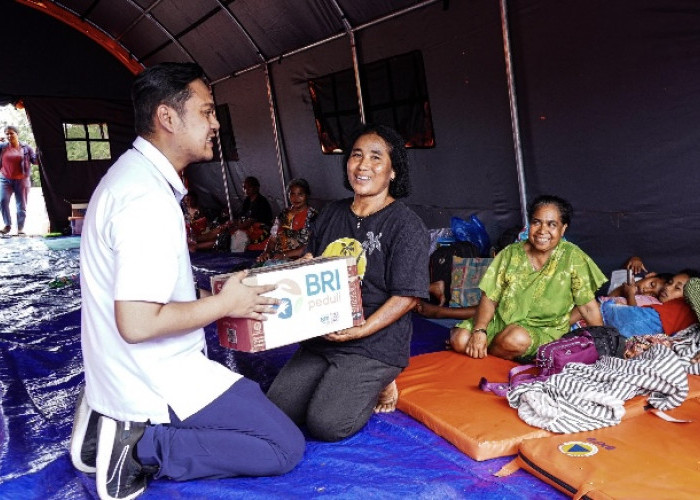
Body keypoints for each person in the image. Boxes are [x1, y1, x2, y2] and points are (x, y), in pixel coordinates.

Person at [70, 62, 304, 500]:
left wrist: (218, 296)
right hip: (154, 378)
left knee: (257, 404)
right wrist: (223, 306)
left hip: (122, 373)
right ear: (168, 118)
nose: (216, 124)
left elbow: (146, 292)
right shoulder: (146, 201)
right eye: (208, 112)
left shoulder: (132, 177)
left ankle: (105, 417)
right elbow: (137, 323)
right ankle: (142, 446)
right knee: (282, 446)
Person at [266, 124, 430, 441]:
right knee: (278, 408)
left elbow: (407, 296)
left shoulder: (406, 225)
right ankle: (349, 379)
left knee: (328, 424)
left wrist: (361, 330)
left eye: (375, 157)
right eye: (356, 156)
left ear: (393, 171)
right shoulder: (331, 213)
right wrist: (302, 267)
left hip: (372, 342)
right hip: (324, 335)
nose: (363, 165)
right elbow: (313, 262)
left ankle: (384, 377)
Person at [450, 195, 607, 360]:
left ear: (563, 229)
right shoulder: (510, 253)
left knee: (514, 339)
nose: (542, 231)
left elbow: (588, 307)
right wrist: (480, 330)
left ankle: (497, 352)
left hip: (543, 329)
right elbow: (490, 298)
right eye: (536, 222)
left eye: (552, 224)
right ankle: (500, 351)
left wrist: (602, 342)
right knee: (460, 340)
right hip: (500, 322)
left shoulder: (573, 257)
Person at [601, 270, 700, 337]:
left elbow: (634, 315)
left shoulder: (659, 305)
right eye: (669, 283)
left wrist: (630, 295)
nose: (667, 287)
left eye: (677, 288)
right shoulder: (657, 302)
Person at [256, 178, 318, 264]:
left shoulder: (313, 216)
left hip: (301, 259)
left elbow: (310, 245)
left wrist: (285, 255)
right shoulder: (284, 214)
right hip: (278, 257)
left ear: (307, 195)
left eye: (300, 194)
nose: (296, 198)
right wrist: (267, 252)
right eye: (292, 194)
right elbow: (273, 239)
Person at [0, 125, 39, 235]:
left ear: (17, 134)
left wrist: (38, 153)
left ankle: (20, 228)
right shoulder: (2, 146)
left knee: (21, 205)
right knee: (2, 201)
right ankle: (7, 225)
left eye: (11, 133)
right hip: (5, 179)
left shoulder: (26, 147)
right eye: (7, 133)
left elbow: (35, 161)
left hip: (22, 180)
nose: (9, 135)